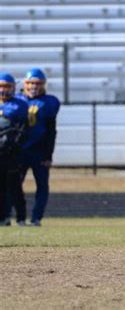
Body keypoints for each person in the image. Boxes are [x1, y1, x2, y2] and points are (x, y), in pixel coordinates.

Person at [15, 68, 60, 227]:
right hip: (19, 151)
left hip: (39, 152)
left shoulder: (49, 102)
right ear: (25, 83)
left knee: (42, 185)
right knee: (14, 185)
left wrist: (48, 155)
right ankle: (18, 217)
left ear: (43, 84)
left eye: (38, 83)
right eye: (31, 83)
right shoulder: (16, 100)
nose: (34, 86)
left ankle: (36, 218)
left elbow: (51, 131)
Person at [0, 72, 28, 226]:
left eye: (7, 86)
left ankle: (21, 217)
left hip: (11, 152)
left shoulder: (20, 105)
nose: (4, 90)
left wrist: (12, 144)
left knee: (14, 186)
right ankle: (3, 217)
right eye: (1, 86)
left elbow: (24, 129)